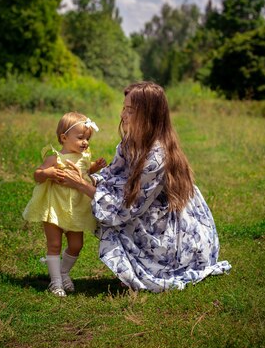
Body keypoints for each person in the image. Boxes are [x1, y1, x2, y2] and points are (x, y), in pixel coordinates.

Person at [60, 81, 231, 292]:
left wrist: (82, 186)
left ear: (148, 115)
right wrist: (86, 177)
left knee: (113, 218)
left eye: (130, 111)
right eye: (124, 108)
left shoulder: (157, 155)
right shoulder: (130, 142)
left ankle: (145, 265)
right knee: (105, 205)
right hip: (147, 209)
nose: (123, 115)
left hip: (169, 226)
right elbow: (114, 176)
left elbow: (126, 209)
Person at [23, 112, 107, 297]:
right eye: (80, 138)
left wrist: (95, 167)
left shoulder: (84, 156)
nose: (85, 142)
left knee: (76, 245)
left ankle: (63, 272)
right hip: (55, 207)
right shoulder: (55, 159)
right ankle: (55, 283)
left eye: (88, 138)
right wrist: (48, 173)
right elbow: (37, 175)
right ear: (64, 137)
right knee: (54, 244)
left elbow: (86, 169)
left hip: (75, 209)